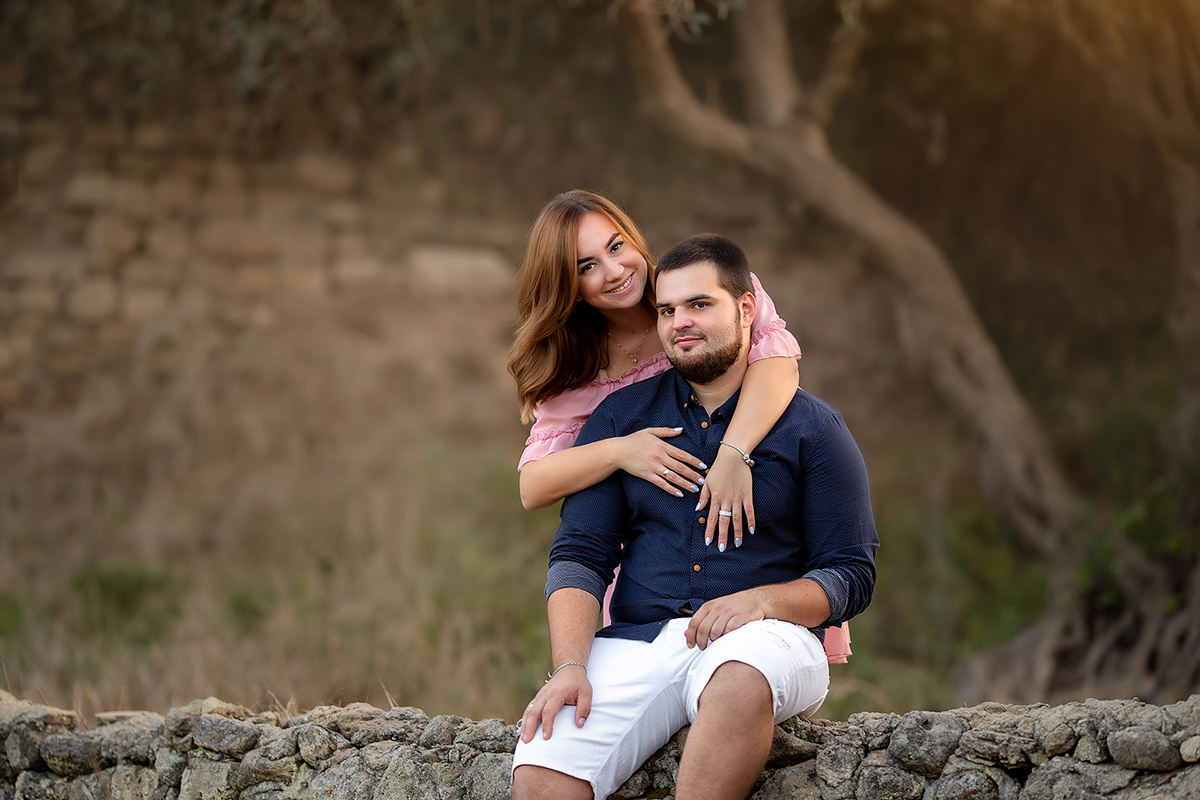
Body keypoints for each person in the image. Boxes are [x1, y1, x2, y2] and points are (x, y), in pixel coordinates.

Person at [511, 234, 879, 800]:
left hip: (768, 640)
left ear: (746, 307)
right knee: (540, 772)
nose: (681, 322)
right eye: (667, 310)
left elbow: (851, 574)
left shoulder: (814, 429)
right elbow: (580, 556)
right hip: (637, 638)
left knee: (738, 680)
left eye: (700, 305)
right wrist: (568, 666)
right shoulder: (622, 418)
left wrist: (761, 602)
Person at [506, 190, 852, 660]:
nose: (613, 271)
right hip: (659, 561)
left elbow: (779, 364)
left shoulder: (695, 288)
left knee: (757, 686)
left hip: (754, 543)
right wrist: (621, 450)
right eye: (586, 267)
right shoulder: (575, 369)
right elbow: (534, 486)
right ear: (567, 285)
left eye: (616, 246)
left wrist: (734, 452)